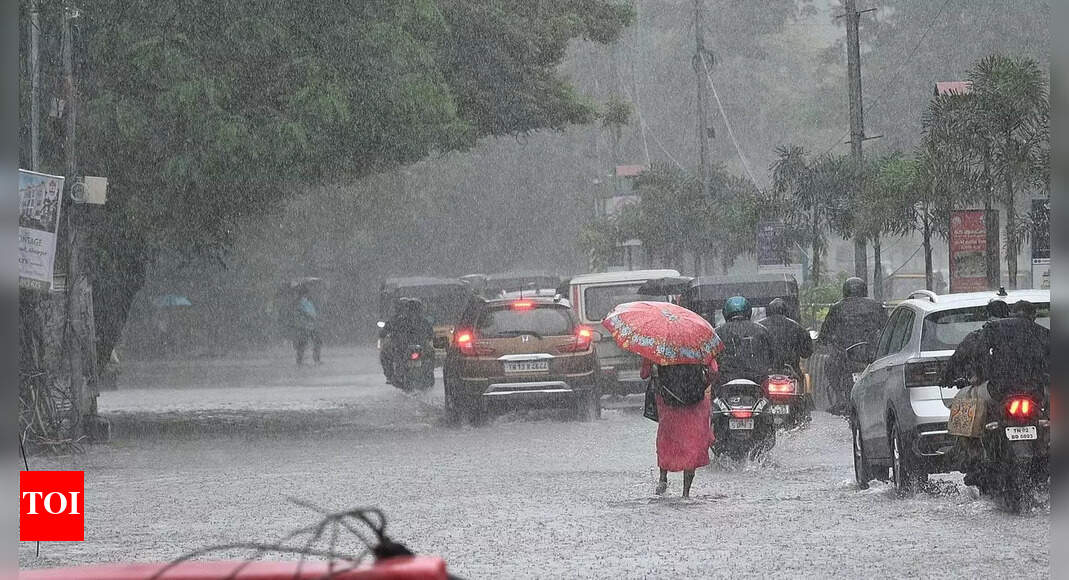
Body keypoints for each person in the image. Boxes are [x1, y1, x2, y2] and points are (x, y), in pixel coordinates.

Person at [641, 357, 718, 498]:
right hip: (694, 402)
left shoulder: (659, 346)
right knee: (692, 445)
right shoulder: (698, 346)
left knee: (668, 440)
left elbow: (644, 374)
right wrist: (701, 383)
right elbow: (713, 371)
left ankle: (663, 478)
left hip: (668, 401)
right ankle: (685, 493)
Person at [714, 296, 776, 386]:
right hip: (757, 380)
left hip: (725, 381)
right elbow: (771, 357)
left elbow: (711, 358)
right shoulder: (761, 330)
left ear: (725, 312)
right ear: (748, 311)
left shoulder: (717, 333)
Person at [382, 298, 435, 383]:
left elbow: (386, 331)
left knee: (385, 354)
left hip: (404, 347)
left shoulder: (399, 321)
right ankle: (429, 373)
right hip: (414, 347)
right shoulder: (423, 321)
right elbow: (431, 334)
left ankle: (390, 375)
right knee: (431, 353)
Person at [759, 298, 813, 374]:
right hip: (791, 371)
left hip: (766, 372)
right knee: (802, 381)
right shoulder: (797, 327)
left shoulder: (759, 327)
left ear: (768, 311)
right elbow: (806, 352)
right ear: (786, 311)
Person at [293, 286, 321, 365]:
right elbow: (305, 313)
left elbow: (312, 313)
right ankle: (302, 360)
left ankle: (312, 359)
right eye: (308, 293)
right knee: (304, 343)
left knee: (313, 342)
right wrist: (309, 316)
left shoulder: (307, 302)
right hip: (305, 326)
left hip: (309, 326)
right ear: (305, 294)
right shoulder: (300, 303)